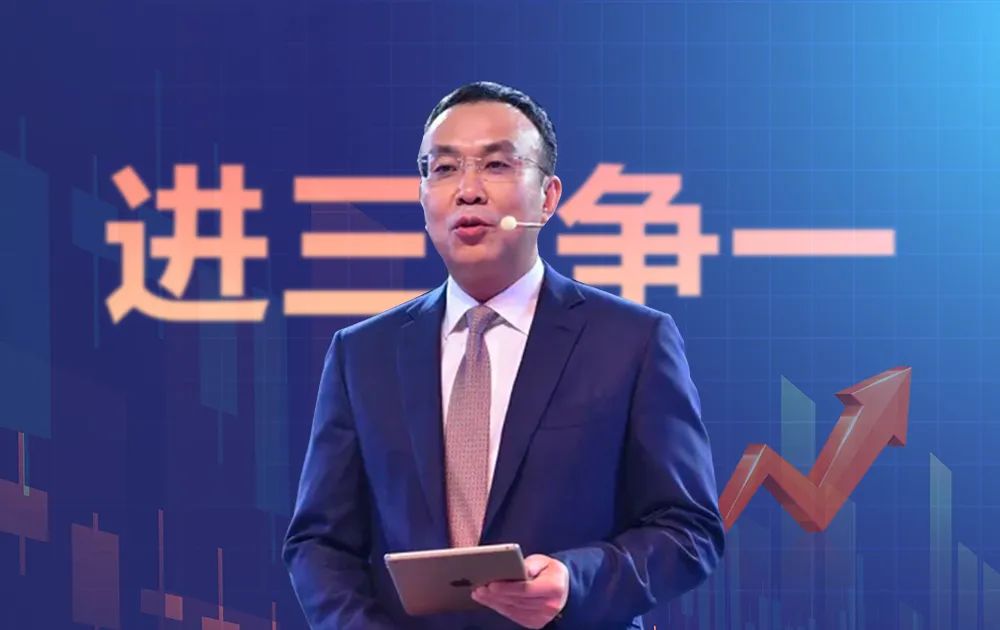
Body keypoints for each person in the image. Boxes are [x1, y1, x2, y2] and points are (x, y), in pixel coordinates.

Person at [283, 81, 724, 630]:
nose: (468, 191)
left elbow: (688, 530)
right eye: (444, 169)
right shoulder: (363, 354)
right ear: (423, 196)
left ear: (549, 196)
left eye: (496, 165)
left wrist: (575, 581)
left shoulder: (632, 341)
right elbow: (319, 543)